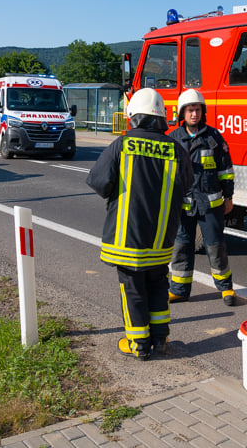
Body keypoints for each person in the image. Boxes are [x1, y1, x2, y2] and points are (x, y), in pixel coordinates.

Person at [86, 88, 193, 360]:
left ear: (133, 117)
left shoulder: (122, 145)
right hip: (161, 239)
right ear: (162, 118)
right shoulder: (176, 149)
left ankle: (138, 345)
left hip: (128, 238)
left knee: (132, 288)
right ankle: (160, 338)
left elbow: (99, 181)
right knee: (158, 283)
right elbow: (188, 184)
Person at [168, 88, 236, 306]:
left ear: (202, 111)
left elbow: (225, 169)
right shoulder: (173, 139)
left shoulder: (213, 137)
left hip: (210, 205)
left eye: (197, 110)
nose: (194, 114)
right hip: (182, 205)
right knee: (181, 247)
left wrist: (229, 197)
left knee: (216, 247)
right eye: (189, 110)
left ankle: (226, 289)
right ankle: (179, 290)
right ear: (182, 113)